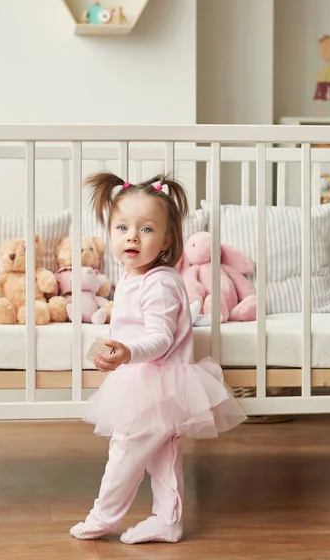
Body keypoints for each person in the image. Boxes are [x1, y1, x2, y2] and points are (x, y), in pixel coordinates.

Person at [70, 172, 247, 544]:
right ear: (111, 233)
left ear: (167, 239)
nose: (132, 236)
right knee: (161, 455)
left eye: (146, 229)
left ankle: (104, 515)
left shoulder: (161, 281)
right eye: (122, 227)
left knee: (126, 450)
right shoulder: (132, 278)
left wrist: (129, 352)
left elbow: (160, 337)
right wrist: (116, 350)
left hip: (156, 380)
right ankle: (168, 519)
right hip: (149, 381)